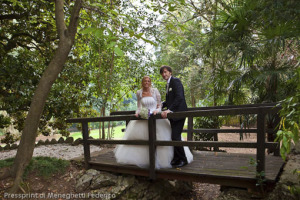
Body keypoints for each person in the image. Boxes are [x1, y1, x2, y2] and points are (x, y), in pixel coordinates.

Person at [114, 76, 174, 169]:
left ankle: (160, 160)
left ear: (150, 82)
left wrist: (157, 111)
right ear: (142, 82)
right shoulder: (139, 92)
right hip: (144, 117)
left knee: (160, 137)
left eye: (148, 81)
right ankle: (140, 159)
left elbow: (159, 105)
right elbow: (139, 106)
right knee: (139, 138)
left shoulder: (155, 91)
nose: (147, 82)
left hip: (155, 116)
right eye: (145, 81)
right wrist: (137, 113)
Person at [160, 65, 192, 168]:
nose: (164, 74)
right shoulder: (168, 84)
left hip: (179, 113)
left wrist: (169, 109)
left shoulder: (175, 81)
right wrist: (162, 104)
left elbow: (179, 97)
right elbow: (170, 100)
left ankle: (183, 159)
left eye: (165, 72)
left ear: (170, 72)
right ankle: (176, 158)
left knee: (176, 136)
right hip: (173, 115)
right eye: (162, 73)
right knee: (173, 136)